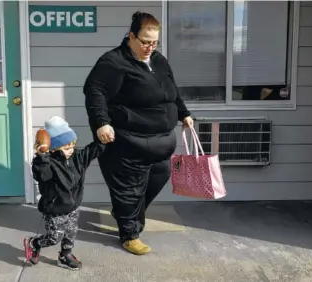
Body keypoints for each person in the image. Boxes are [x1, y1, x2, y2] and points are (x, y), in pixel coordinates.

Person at [83, 11, 194, 255]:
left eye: (154, 42)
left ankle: (126, 214)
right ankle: (129, 234)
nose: (149, 47)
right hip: (128, 141)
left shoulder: (159, 60)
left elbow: (172, 90)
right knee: (129, 190)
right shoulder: (113, 62)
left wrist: (183, 113)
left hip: (161, 142)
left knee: (159, 176)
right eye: (145, 42)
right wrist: (101, 122)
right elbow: (95, 91)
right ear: (131, 36)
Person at [23, 116, 109, 270]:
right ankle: (34, 243)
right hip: (56, 208)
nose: (71, 150)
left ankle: (65, 255)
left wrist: (103, 140)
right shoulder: (48, 163)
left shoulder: (77, 158)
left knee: (71, 232)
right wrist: (42, 155)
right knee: (54, 237)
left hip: (73, 205)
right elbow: (41, 175)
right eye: (67, 147)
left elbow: (92, 150)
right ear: (54, 148)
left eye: (73, 145)